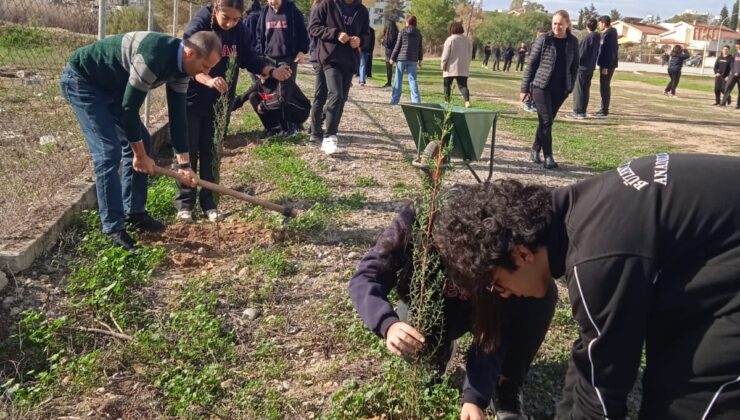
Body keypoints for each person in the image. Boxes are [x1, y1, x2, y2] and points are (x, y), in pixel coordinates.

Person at [433, 153, 740, 420]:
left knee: (687, 400)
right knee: (665, 378)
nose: (506, 294)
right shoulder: (579, 209)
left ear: (522, 254)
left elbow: (604, 390)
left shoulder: (595, 259)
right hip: (715, 255)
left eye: (499, 284)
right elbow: (591, 356)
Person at [349, 205, 557, 420]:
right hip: (437, 307)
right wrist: (387, 324)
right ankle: (436, 355)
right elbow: (366, 277)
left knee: (539, 291)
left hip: (482, 310)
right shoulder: (418, 223)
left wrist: (474, 398)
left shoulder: (496, 247)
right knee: (411, 325)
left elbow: (496, 329)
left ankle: (505, 383)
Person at [60, 31, 220, 250]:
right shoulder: (153, 56)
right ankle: (113, 228)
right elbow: (129, 109)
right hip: (84, 82)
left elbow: (178, 116)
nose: (206, 73)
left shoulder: (183, 69)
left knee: (142, 139)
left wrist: (185, 165)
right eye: (205, 66)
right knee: (108, 152)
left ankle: (134, 213)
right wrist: (140, 155)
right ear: (190, 52)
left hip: (114, 88)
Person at [176, 0, 292, 223]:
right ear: (216, 8)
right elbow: (187, 60)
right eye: (226, 18)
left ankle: (209, 203)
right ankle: (185, 204)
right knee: (188, 151)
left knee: (212, 151)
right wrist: (208, 80)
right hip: (191, 98)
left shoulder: (240, 30)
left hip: (220, 103)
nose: (230, 24)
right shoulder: (200, 24)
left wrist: (271, 70)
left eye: (236, 19)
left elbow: (250, 58)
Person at [309, 0, 370, 155]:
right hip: (329, 59)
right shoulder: (327, 5)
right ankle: (327, 136)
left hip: (349, 61)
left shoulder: (362, 10)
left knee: (341, 99)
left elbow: (367, 35)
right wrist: (335, 34)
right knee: (334, 94)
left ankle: (329, 133)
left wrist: (360, 40)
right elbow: (314, 28)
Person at [519, 10, 578, 170]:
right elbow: (531, 65)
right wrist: (525, 88)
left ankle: (535, 149)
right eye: (554, 23)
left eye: (560, 24)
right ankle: (548, 156)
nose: (557, 27)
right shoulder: (544, 39)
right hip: (541, 86)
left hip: (560, 89)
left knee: (547, 121)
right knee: (546, 120)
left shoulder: (572, 42)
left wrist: (570, 86)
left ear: (567, 24)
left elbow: (575, 66)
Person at [235, 68, 311, 136]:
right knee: (253, 96)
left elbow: (282, 100)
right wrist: (226, 109)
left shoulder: (281, 79)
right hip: (280, 109)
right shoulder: (258, 84)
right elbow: (241, 98)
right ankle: (272, 127)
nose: (261, 74)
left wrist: (263, 105)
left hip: (301, 111)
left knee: (284, 100)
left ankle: (290, 128)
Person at [254, 0, 310, 85]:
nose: (272, 2)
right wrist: (260, 57)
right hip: (269, 59)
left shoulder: (292, 10)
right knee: (269, 92)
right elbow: (259, 36)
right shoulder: (264, 12)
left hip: (288, 58)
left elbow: (302, 32)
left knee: (285, 92)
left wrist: (302, 51)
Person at [567, 18, 600, 119]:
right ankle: (583, 110)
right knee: (585, 89)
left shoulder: (588, 38)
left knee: (579, 89)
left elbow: (580, 54)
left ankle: (578, 111)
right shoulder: (597, 37)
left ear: (587, 26)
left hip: (582, 67)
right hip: (591, 67)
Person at [390, 15, 423, 105]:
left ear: (407, 22)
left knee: (398, 80)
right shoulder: (419, 34)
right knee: (413, 80)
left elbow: (398, 46)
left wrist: (392, 58)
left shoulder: (402, 31)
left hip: (401, 58)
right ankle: (416, 101)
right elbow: (420, 48)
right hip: (413, 59)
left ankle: (394, 100)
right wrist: (420, 60)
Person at [441, 21, 472, 108]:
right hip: (463, 67)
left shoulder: (450, 39)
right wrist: (467, 63)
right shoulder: (468, 40)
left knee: (447, 85)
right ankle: (467, 101)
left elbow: (445, 54)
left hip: (450, 67)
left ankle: (446, 102)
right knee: (463, 86)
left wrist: (443, 64)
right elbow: (470, 55)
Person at [595, 15, 618, 118]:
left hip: (607, 65)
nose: (598, 26)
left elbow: (609, 52)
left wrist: (605, 67)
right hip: (606, 64)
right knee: (604, 86)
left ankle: (604, 110)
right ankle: (603, 108)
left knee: (605, 87)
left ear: (603, 23)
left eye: (599, 23)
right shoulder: (608, 33)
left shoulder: (609, 34)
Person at [523, 28, 547, 113]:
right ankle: (527, 103)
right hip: (533, 68)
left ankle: (534, 103)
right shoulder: (535, 44)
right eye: (541, 35)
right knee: (530, 86)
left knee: (537, 87)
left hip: (540, 69)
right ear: (537, 35)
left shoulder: (545, 44)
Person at [242, 0, 262, 82]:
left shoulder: (249, 19)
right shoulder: (265, 16)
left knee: (256, 80)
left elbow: (244, 36)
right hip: (265, 51)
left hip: (252, 50)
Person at [721, 39, 740, 109]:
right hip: (733, 74)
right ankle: (723, 102)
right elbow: (732, 65)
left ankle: (738, 105)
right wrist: (733, 72)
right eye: (737, 44)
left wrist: (738, 72)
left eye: (738, 44)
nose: (737, 46)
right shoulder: (735, 55)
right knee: (727, 87)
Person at [381, 20, 399, 88]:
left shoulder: (388, 34)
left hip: (389, 53)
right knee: (397, 69)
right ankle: (396, 83)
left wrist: (383, 42)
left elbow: (388, 44)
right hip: (397, 52)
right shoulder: (397, 33)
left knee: (389, 69)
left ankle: (389, 83)